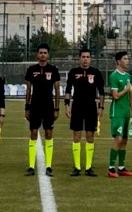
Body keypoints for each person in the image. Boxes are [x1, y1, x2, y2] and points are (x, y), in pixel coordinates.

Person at [65, 48, 105, 177]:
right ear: (79, 58)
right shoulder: (73, 72)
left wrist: (101, 107)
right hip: (77, 106)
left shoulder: (96, 72)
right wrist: (67, 105)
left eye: (87, 57)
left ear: (90, 59)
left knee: (90, 136)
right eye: (83, 57)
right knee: (76, 136)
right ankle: (77, 167)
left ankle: (88, 167)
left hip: (91, 107)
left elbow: (101, 92)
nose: (85, 59)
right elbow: (68, 90)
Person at [24, 44, 60, 176]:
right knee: (33, 133)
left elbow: (56, 90)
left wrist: (57, 108)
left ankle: (49, 166)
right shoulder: (31, 70)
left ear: (48, 55)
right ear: (37, 55)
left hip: (48, 106)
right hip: (35, 106)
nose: (43, 55)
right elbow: (28, 90)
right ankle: (31, 166)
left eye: (45, 52)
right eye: (41, 53)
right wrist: (27, 107)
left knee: (49, 133)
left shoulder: (53, 70)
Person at [107, 51, 132, 178]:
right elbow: (115, 96)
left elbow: (131, 96)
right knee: (118, 139)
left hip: (126, 113)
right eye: (125, 59)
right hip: (117, 112)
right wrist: (126, 88)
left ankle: (122, 167)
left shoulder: (128, 76)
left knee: (124, 139)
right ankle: (111, 168)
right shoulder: (114, 76)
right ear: (118, 61)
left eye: (127, 59)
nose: (127, 61)